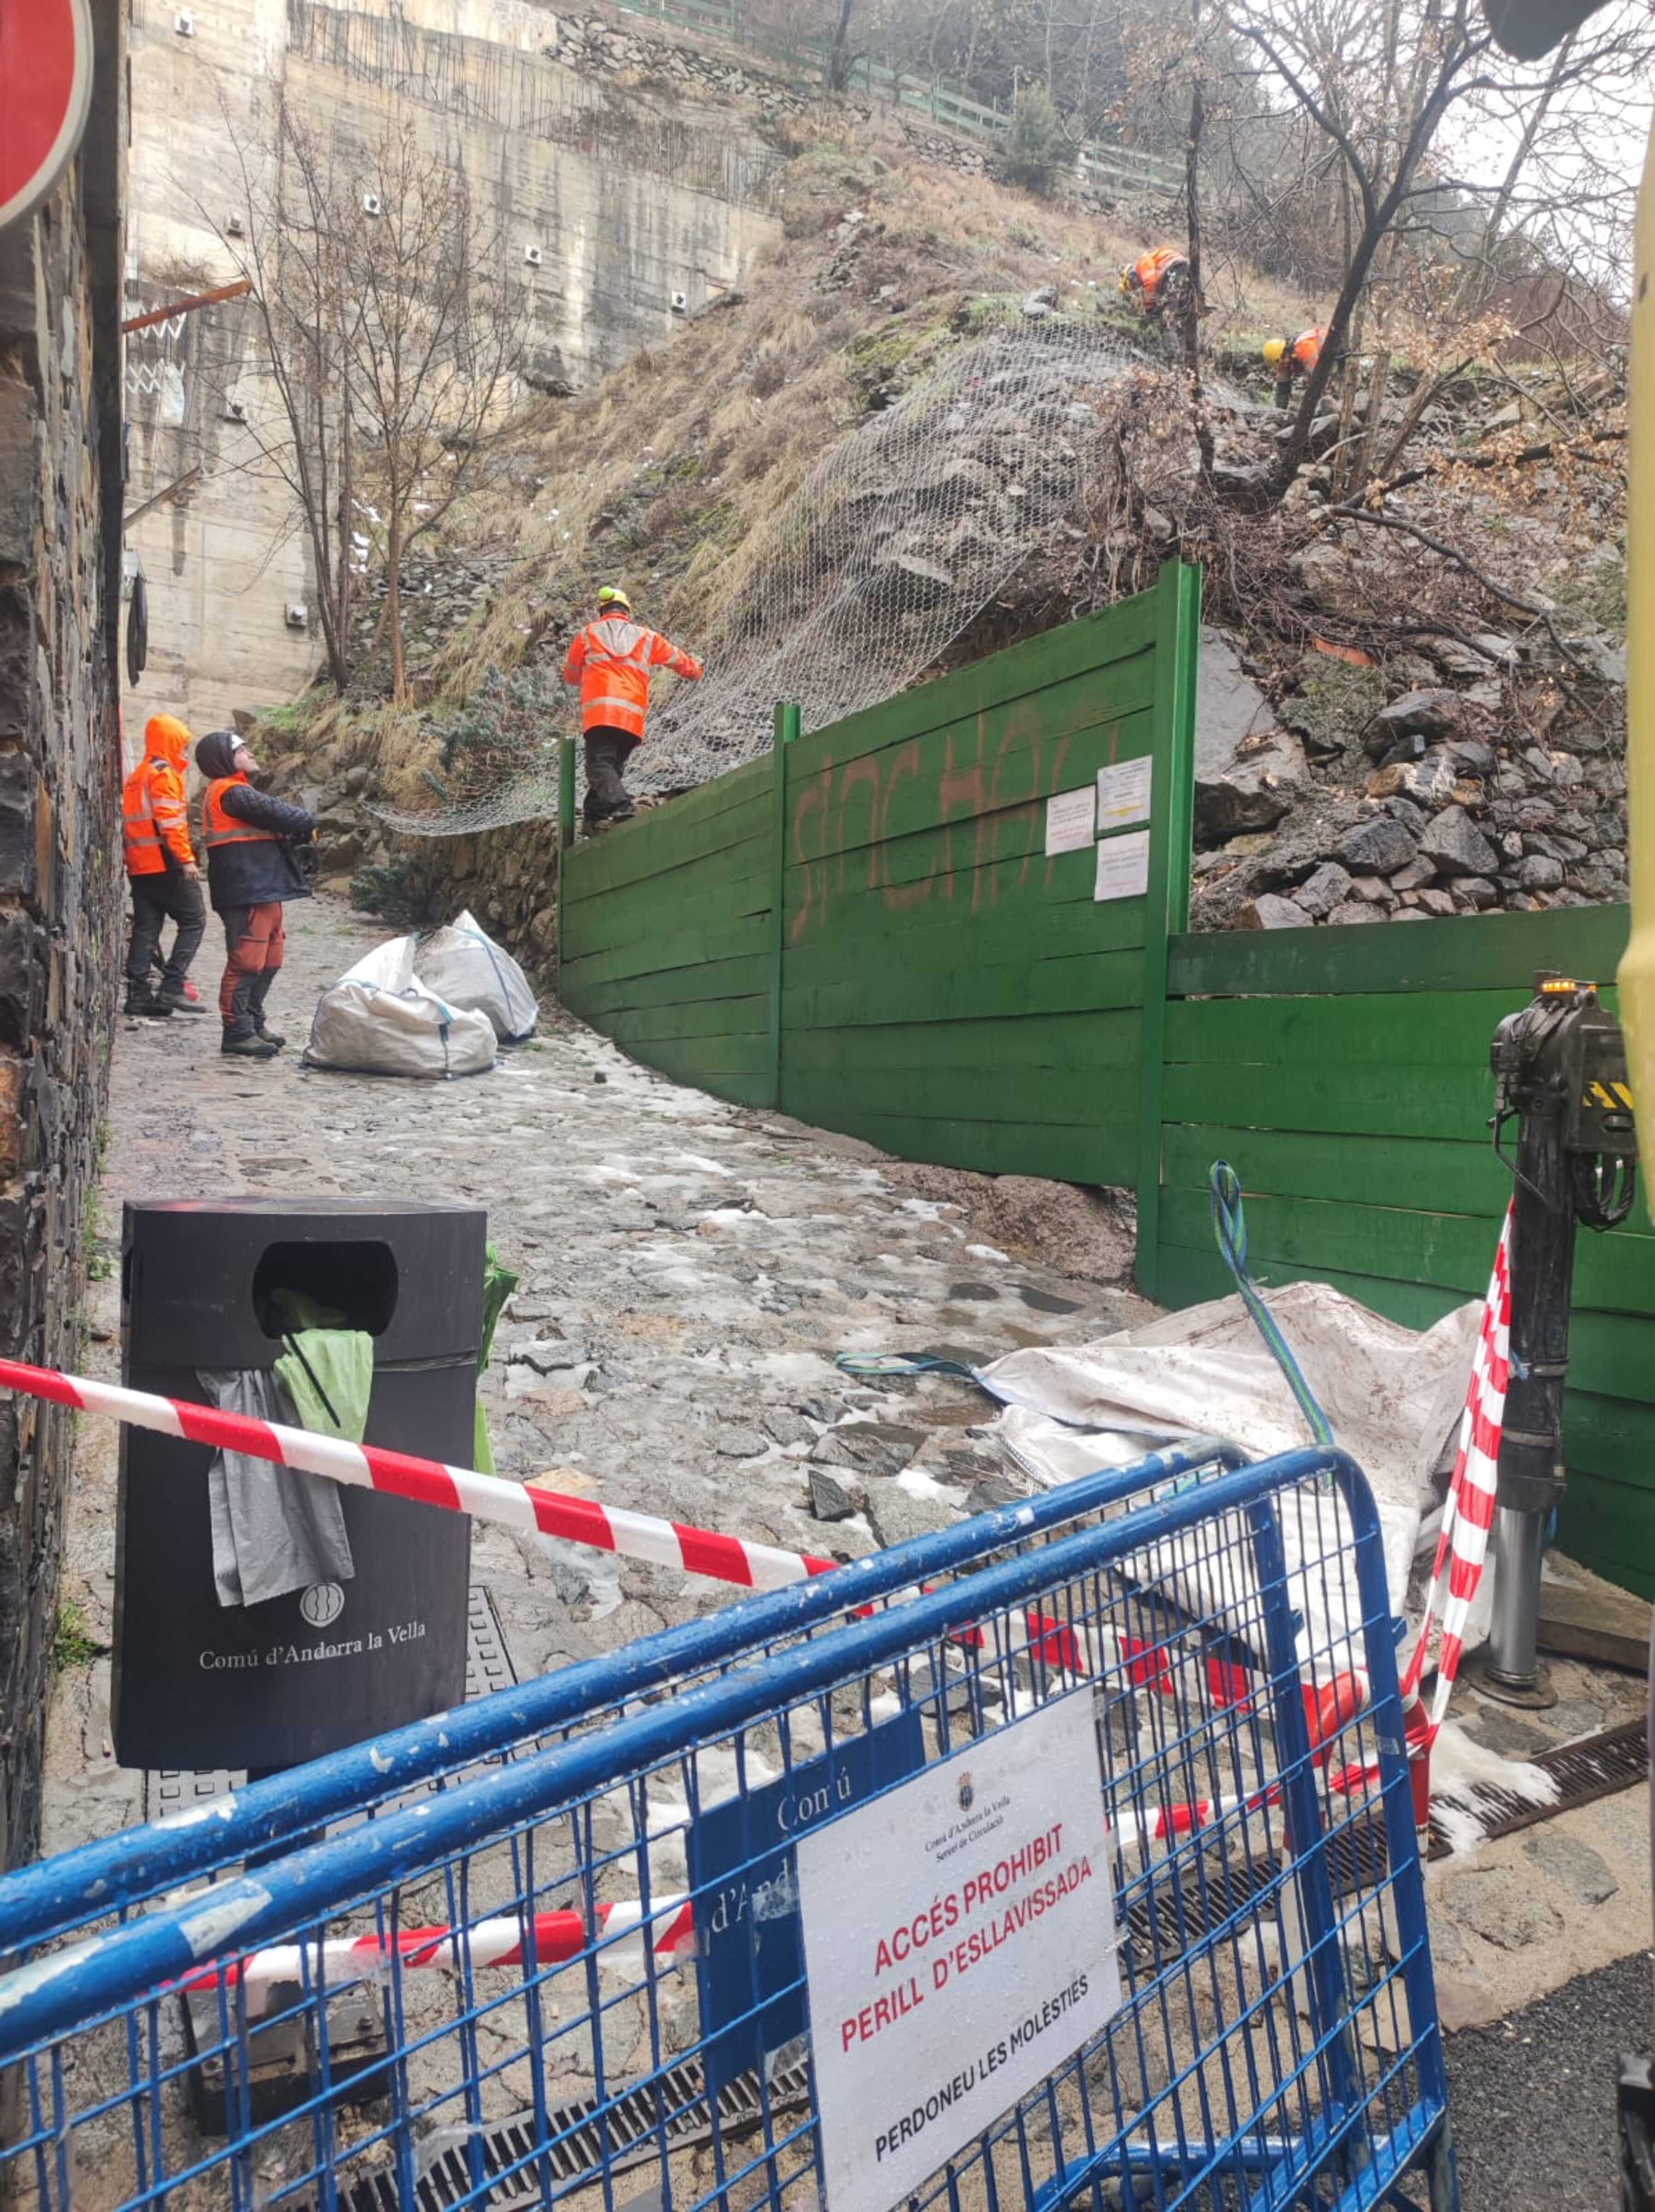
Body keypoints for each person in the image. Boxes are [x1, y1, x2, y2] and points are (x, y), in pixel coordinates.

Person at [194, 729, 317, 1060]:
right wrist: (308, 820)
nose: (249, 753)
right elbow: (280, 814)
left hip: (261, 887)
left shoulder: (239, 792)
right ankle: (237, 1032)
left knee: (270, 959)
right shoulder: (231, 792)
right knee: (247, 961)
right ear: (223, 758)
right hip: (246, 888)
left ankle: (252, 1022)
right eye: (240, 750)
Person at [560, 586, 702, 830]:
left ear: (602, 611)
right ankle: (593, 819)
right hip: (632, 718)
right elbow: (677, 659)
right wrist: (695, 671)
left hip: (601, 714)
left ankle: (622, 806)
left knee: (599, 765)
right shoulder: (647, 637)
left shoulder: (587, 634)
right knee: (612, 767)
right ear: (627, 612)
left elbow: (571, 677)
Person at [121, 713, 207, 1018]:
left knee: (147, 928)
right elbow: (171, 822)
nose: (184, 751)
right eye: (181, 744)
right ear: (170, 742)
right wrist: (186, 859)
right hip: (165, 862)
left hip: (140, 865)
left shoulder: (137, 776)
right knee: (194, 920)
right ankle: (173, 985)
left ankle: (138, 995)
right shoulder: (163, 773)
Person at [1118, 247, 1193, 325]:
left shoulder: (1142, 265)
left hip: (1174, 267)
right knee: (1183, 307)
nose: (1134, 288)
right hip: (1176, 269)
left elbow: (1152, 282)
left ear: (1130, 277)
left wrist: (1150, 309)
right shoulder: (1144, 273)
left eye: (1129, 286)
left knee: (1171, 307)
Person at [1263, 326, 1327, 410]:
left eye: (1284, 359)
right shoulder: (1284, 360)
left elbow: (1318, 378)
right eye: (1281, 364)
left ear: (1286, 350)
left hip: (1336, 352)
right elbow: (1282, 389)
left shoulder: (1303, 347)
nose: (1286, 364)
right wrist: (1280, 412)